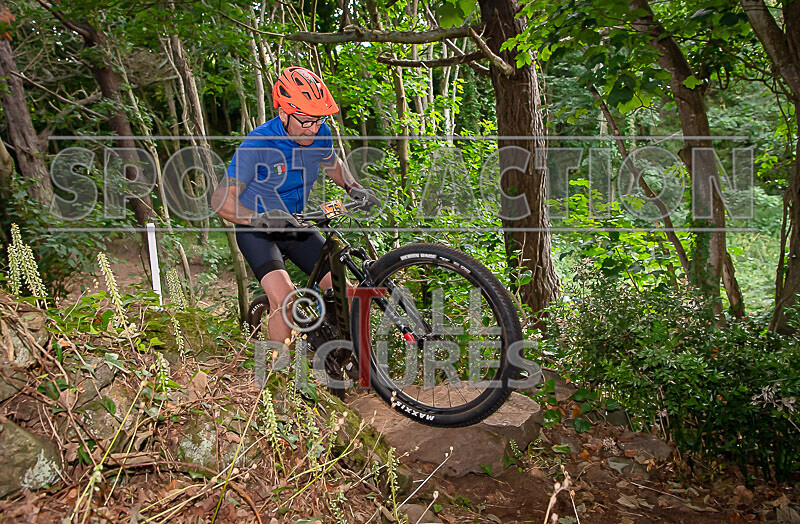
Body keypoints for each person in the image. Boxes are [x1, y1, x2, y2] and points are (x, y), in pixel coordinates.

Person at [211, 66, 378, 346]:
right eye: (305, 120)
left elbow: (333, 164)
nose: (313, 128)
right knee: (285, 299)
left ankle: (356, 362)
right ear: (283, 112)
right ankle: (279, 377)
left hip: (294, 223)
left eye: (318, 120)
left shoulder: (320, 134)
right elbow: (221, 202)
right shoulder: (259, 143)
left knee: (347, 294)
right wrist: (259, 219)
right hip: (257, 230)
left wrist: (353, 187)